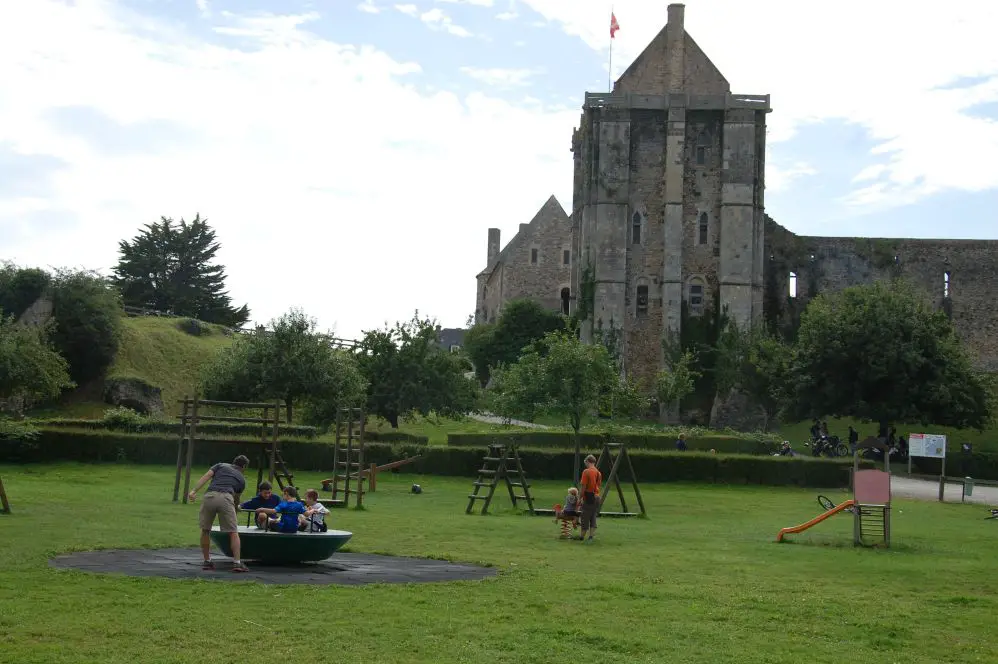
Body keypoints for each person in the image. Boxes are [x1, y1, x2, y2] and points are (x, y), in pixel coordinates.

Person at [188, 454, 251, 573]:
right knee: (233, 532)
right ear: (244, 467)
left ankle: (207, 561)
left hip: (209, 496)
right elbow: (236, 498)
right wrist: (235, 510)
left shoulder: (220, 465)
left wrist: (194, 491)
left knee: (205, 530)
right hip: (226, 498)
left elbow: (207, 476)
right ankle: (237, 563)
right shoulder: (241, 479)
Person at [579, 454, 602, 542]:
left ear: (587, 461)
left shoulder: (586, 472)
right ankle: (591, 537)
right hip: (596, 497)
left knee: (585, 516)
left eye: (585, 463)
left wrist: (579, 497)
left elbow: (583, 487)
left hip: (588, 497)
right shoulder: (598, 473)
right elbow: (598, 486)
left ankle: (581, 536)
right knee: (593, 516)